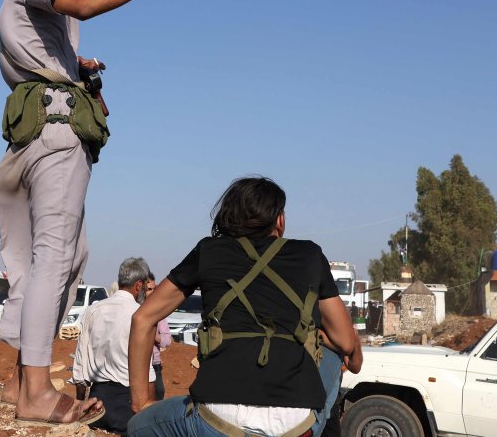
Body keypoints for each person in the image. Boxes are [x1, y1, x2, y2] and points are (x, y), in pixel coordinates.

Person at [0, 0, 192, 425]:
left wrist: (73, 66)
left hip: (33, 133)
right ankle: (36, 392)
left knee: (53, 260)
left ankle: (18, 382)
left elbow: (44, 42)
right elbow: (80, 6)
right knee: (56, 256)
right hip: (56, 136)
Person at [127, 177, 363, 437]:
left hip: (216, 422)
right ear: (280, 220)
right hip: (294, 427)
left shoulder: (208, 251)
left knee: (138, 426)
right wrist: (321, 337)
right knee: (333, 354)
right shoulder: (309, 254)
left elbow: (143, 319)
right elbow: (345, 340)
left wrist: (141, 403)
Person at [72, 258, 153, 435]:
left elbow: (80, 365)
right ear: (138, 285)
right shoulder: (141, 315)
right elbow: (148, 373)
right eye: (146, 285)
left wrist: (80, 405)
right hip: (127, 404)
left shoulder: (93, 310)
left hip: (95, 403)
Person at [146, 274, 173, 401]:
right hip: (133, 366)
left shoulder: (159, 312)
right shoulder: (132, 310)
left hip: (154, 365)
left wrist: (152, 335)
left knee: (158, 395)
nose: (152, 293)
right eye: (148, 289)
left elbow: (167, 341)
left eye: (153, 289)